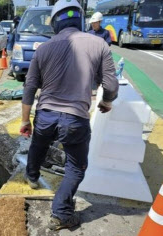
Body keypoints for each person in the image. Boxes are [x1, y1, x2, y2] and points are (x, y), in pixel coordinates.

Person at [20, 0, 119, 231]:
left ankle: (32, 177)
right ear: (80, 20)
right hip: (75, 119)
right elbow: (111, 85)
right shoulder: (99, 44)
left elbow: (30, 87)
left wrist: (25, 120)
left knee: (38, 145)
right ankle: (62, 213)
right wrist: (106, 102)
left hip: (45, 115)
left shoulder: (43, 49)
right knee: (76, 166)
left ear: (55, 23)